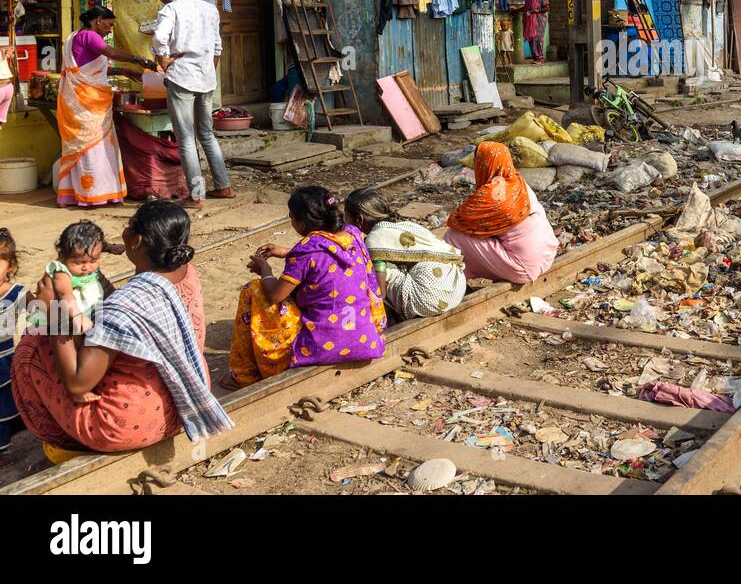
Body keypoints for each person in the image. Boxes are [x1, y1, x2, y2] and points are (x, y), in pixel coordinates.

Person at [11, 201, 231, 460]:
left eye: (127, 226)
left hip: (125, 424)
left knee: (31, 347)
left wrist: (54, 314)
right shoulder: (185, 272)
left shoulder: (121, 307)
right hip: (186, 403)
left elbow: (77, 383)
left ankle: (68, 443)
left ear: (136, 241)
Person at [225, 186, 387, 389]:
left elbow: (275, 295)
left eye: (291, 217)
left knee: (254, 289)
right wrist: (286, 252)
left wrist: (265, 269)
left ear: (301, 223)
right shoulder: (352, 235)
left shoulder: (305, 252)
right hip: (365, 338)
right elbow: (325, 254)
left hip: (321, 346)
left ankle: (244, 375)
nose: (291, 220)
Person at [145, 0, 235, 207]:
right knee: (206, 134)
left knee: (185, 139)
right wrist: (208, 69)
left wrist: (163, 59)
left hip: (182, 78)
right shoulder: (208, 8)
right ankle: (224, 187)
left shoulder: (170, 10)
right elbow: (217, 46)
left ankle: (196, 195)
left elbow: (159, 38)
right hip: (206, 79)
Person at [56, 6, 150, 207]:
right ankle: (94, 193)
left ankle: (78, 193)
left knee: (89, 147)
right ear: (97, 21)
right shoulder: (89, 36)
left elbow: (90, 68)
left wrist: (122, 70)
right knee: (93, 147)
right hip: (87, 102)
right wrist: (139, 60)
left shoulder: (75, 36)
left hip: (84, 101)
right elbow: (111, 52)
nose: (110, 30)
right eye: (109, 25)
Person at [443, 142, 559, 285]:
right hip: (548, 254)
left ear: (483, 164)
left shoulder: (490, 196)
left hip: (525, 268)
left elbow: (456, 220)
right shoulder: (518, 182)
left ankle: (449, 282)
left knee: (453, 236)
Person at [344, 187, 466, 321]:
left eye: (347, 217)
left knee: (373, 267)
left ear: (359, 219)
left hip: (429, 299)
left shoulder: (374, 240)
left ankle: (396, 316)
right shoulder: (405, 226)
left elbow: (381, 293)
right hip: (456, 287)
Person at [26, 221, 118, 335]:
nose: (86, 267)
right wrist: (77, 315)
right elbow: (66, 295)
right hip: (65, 321)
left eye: (93, 261)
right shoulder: (61, 272)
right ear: (62, 256)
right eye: (79, 263)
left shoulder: (90, 269)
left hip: (89, 317)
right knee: (66, 343)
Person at [0, 228, 24, 452]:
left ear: (11, 266)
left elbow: (41, 318)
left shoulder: (18, 293)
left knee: (7, 406)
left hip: (6, 362)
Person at [523, 0, 549, 64]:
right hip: (530, 21)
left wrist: (537, 11)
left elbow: (547, 8)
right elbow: (527, 8)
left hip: (539, 21)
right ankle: (535, 57)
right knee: (531, 39)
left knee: (537, 38)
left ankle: (540, 58)